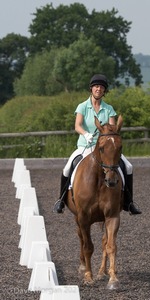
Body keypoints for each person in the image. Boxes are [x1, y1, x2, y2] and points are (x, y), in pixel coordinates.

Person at [53, 74, 141, 215]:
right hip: (85, 146)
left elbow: (112, 127)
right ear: (91, 89)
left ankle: (129, 202)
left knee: (128, 166)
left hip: (105, 149)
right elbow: (77, 125)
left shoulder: (109, 109)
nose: (98, 89)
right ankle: (61, 200)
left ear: (104, 91)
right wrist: (86, 134)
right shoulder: (82, 107)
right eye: (96, 86)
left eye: (101, 87)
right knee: (67, 167)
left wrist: (109, 136)